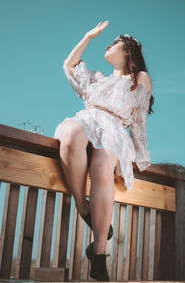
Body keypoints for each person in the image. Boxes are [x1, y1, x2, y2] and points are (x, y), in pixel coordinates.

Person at [53, 21, 154, 281]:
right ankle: (81, 204)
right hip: (89, 120)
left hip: (115, 130)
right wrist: (87, 36)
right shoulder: (97, 79)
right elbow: (69, 64)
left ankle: (98, 255)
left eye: (115, 41)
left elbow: (140, 120)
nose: (109, 44)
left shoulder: (138, 79)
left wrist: (141, 157)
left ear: (129, 51)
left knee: (101, 168)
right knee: (71, 134)